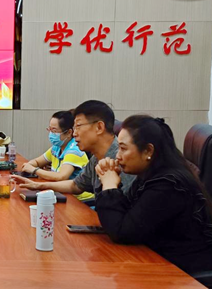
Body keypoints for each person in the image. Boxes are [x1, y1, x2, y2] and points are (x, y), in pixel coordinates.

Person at [95, 115, 212, 280]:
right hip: (156, 261)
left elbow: (122, 232)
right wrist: (109, 182)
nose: (117, 156)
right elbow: (127, 215)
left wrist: (109, 185)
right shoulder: (150, 175)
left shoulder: (168, 185)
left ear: (148, 151)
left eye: (123, 148)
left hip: (182, 274)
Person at [12, 100, 135, 200]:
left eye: (78, 126)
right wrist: (38, 185)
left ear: (99, 127)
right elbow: (76, 185)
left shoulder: (122, 160)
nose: (74, 133)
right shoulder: (95, 158)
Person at [20, 110, 94, 202]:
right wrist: (29, 165)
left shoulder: (74, 150)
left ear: (69, 132)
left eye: (54, 131)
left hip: (79, 200)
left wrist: (34, 170)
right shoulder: (57, 147)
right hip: (61, 194)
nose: (51, 134)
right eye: (50, 130)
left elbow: (61, 176)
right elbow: (37, 161)